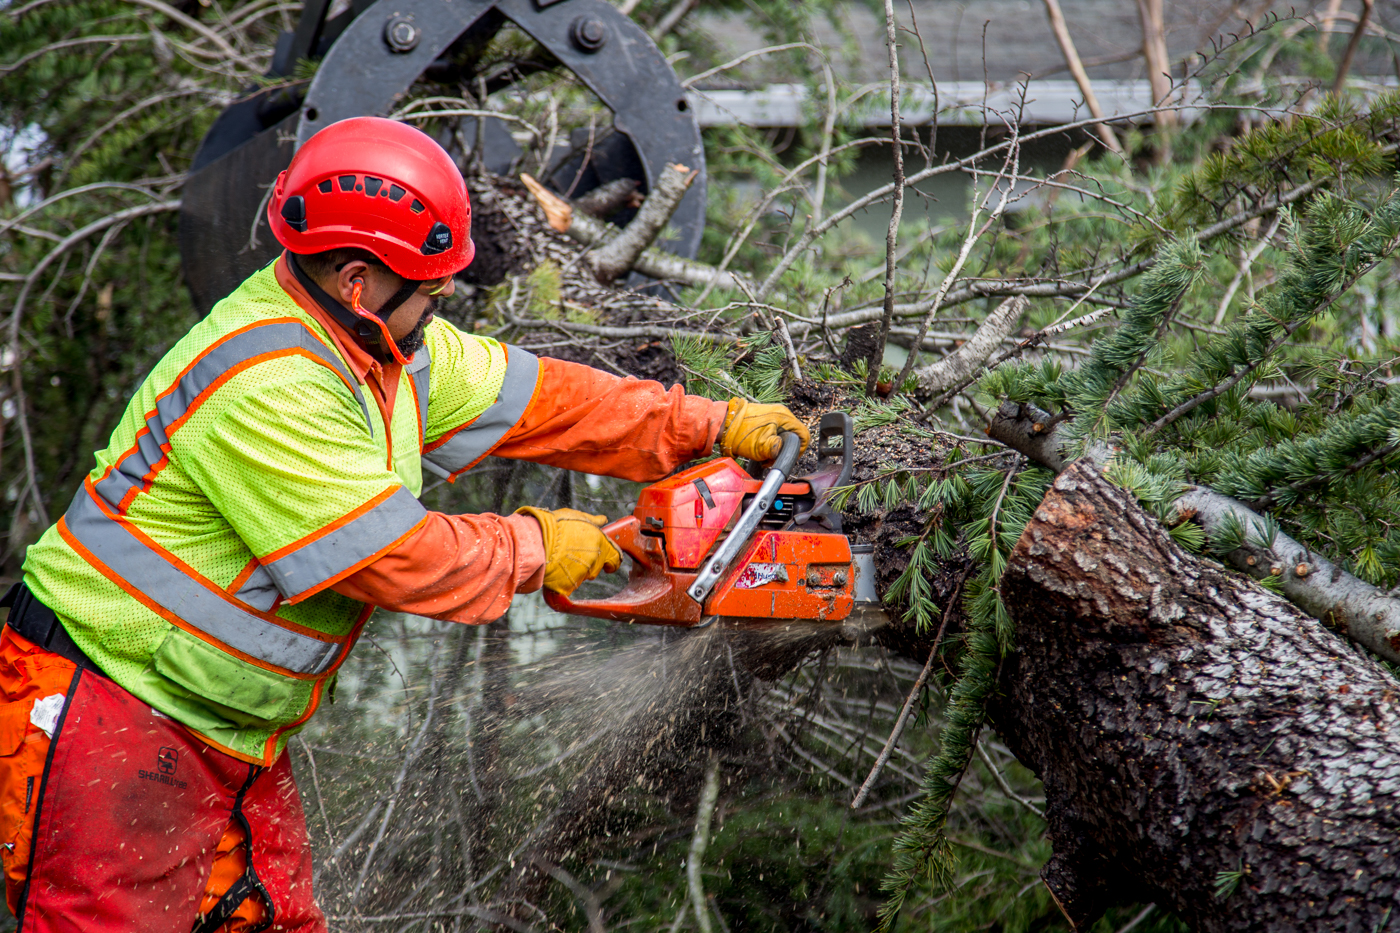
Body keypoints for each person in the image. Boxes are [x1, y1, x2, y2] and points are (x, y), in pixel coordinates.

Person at [0, 116, 807, 932]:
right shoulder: (269, 383)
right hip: (105, 715)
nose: (445, 295)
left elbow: (549, 401)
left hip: (222, 735)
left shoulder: (387, 348)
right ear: (358, 279)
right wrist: (556, 545)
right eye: (430, 281)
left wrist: (707, 425)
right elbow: (394, 557)